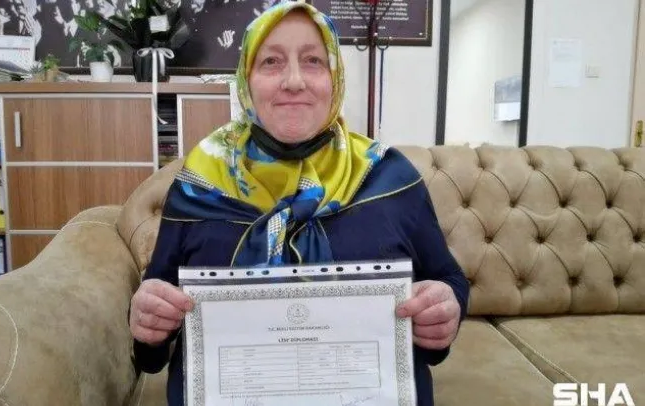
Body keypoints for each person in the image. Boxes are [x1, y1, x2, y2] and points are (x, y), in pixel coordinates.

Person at [129, 2, 469, 405]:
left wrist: (445, 308)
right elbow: (155, 332)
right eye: (271, 62)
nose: (293, 81)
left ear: (335, 78)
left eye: (312, 61)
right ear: (246, 80)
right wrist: (148, 323)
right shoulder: (199, 186)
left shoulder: (389, 177)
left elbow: (449, 279)